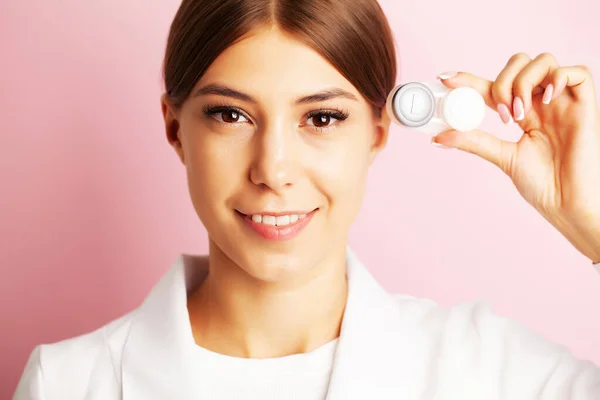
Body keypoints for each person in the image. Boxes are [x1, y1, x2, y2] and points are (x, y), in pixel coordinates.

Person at [13, 0, 600, 398]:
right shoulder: (67, 384)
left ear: (377, 131)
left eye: (321, 117)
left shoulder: (495, 375)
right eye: (230, 115)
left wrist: (590, 221)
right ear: (175, 128)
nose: (274, 169)